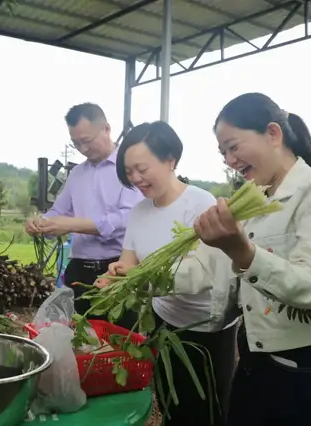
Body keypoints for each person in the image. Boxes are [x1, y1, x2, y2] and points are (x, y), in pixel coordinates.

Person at [174, 93, 311, 426]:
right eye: (223, 153)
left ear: (274, 134)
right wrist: (146, 277)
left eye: (234, 147)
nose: (230, 160)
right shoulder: (255, 202)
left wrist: (242, 252)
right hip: (255, 360)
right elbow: (210, 269)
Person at [98, 121, 237, 425]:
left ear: (170, 160)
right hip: (163, 321)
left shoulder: (200, 204)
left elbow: (200, 273)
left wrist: (137, 278)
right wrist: (115, 275)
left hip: (205, 330)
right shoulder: (140, 211)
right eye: (129, 172)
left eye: (142, 169)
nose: (135, 178)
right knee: (170, 401)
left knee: (206, 409)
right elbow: (129, 261)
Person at [25, 103, 143, 329]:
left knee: (119, 339)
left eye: (87, 141)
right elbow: (59, 212)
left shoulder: (128, 168)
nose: (82, 148)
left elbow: (127, 219)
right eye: (76, 143)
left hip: (117, 268)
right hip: (79, 270)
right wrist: (41, 223)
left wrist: (73, 225)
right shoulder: (77, 174)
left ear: (106, 129)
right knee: (83, 339)